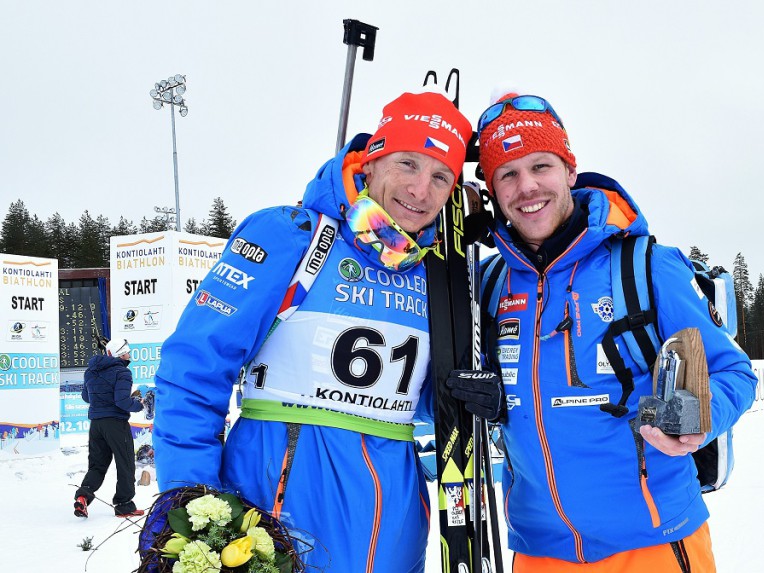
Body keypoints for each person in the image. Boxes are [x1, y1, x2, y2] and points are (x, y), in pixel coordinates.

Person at [152, 92, 472, 573]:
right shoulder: (292, 236)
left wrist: (468, 390)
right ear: (373, 161)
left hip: (394, 532)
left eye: (440, 176)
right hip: (275, 523)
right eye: (408, 164)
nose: (420, 190)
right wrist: (193, 504)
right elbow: (195, 369)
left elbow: (423, 398)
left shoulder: (439, 275)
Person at [449, 93, 758, 571]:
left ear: (570, 171)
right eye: (507, 173)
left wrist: (695, 416)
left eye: (541, 166)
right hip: (538, 549)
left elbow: (733, 370)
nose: (527, 187)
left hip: (652, 540)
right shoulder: (485, 285)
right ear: (491, 188)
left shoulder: (645, 267)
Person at [74, 337, 145, 518]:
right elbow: (122, 402)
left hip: (96, 425)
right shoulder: (122, 373)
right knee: (125, 463)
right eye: (127, 351)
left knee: (97, 465)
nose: (129, 354)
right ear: (120, 354)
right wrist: (139, 404)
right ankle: (124, 505)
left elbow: (86, 397)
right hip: (115, 424)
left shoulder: (91, 371)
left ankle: (83, 496)